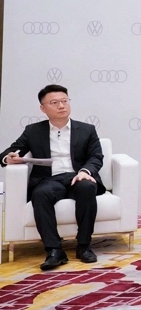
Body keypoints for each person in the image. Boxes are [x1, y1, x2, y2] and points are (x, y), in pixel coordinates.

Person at [1, 84, 106, 270]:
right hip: (49, 180)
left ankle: (84, 246)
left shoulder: (87, 129)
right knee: (40, 194)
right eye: (54, 103)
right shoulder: (33, 131)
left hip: (77, 175)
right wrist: (8, 158)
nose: (61, 106)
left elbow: (96, 157)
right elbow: (9, 152)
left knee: (87, 187)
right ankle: (54, 251)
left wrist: (85, 171)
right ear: (43, 108)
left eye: (65, 101)